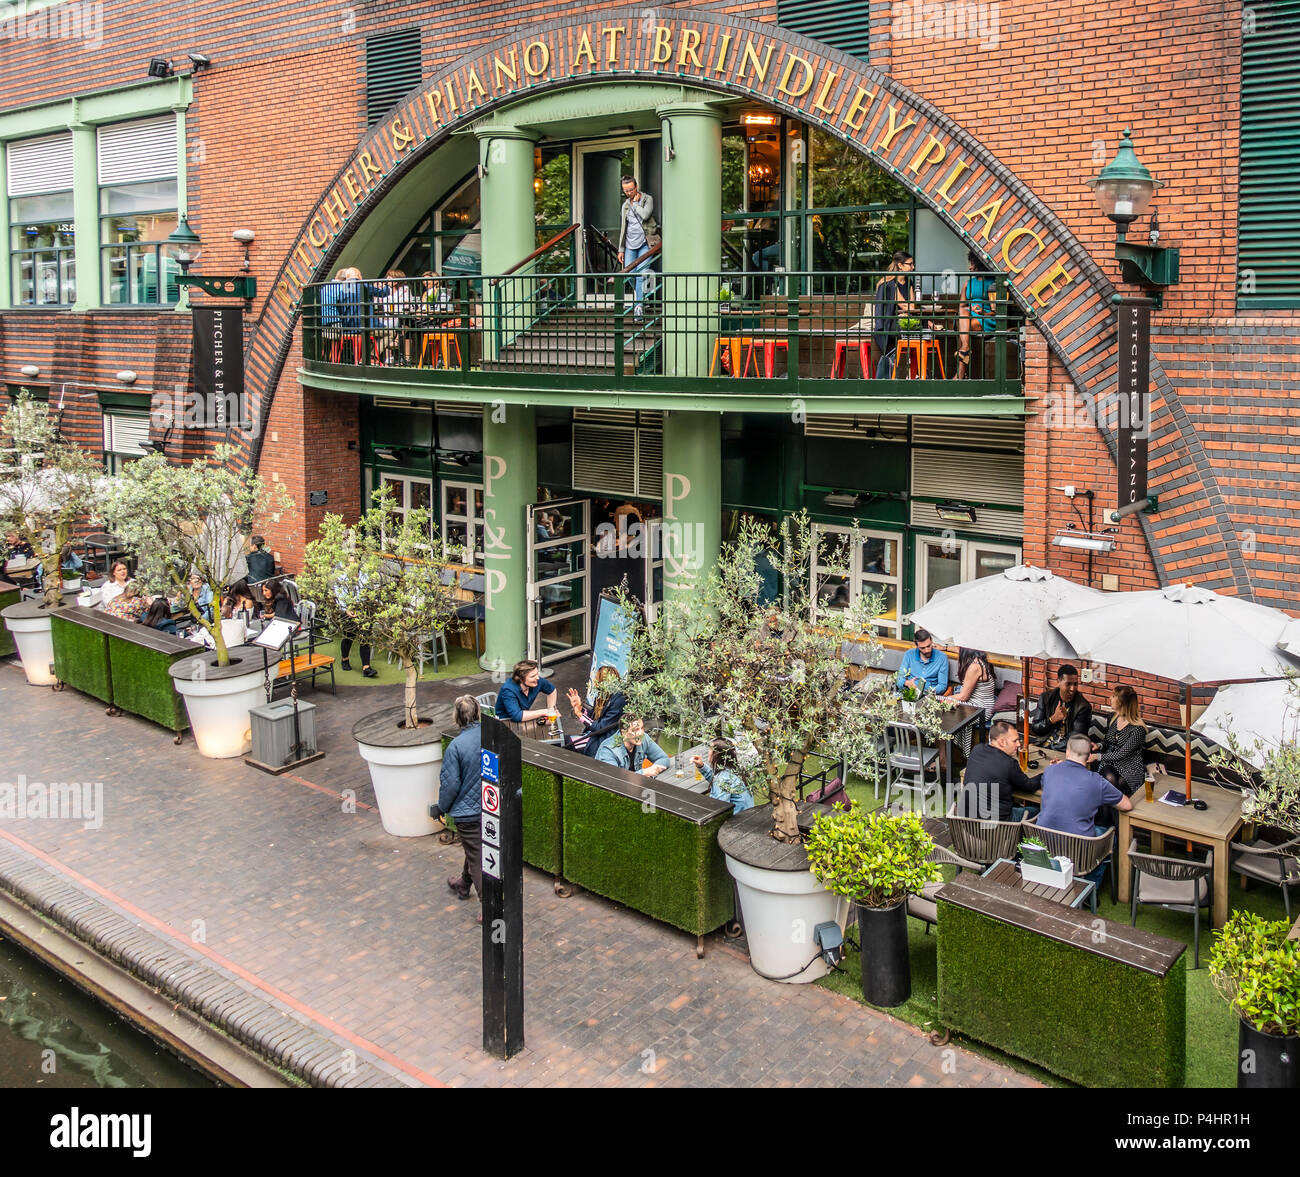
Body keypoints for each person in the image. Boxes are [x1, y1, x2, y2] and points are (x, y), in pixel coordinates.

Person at [434, 695, 484, 919]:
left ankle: (488, 906)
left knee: (476, 855)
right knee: (475, 850)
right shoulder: (491, 736)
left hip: (468, 813)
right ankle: (463, 884)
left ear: (457, 718)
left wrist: (441, 807)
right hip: (491, 807)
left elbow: (451, 783)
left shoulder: (456, 746)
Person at [1038, 733, 1132, 836]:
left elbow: (1054, 788)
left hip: (1043, 843)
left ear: (1067, 752)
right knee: (1109, 834)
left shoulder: (1049, 770)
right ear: (1088, 757)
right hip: (1079, 847)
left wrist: (1056, 768)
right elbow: (1127, 805)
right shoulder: (1096, 781)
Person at [958, 719, 1032, 822]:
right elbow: (1029, 786)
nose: (1019, 744)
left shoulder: (976, 750)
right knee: (1037, 811)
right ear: (1001, 742)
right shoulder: (1009, 763)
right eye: (1015, 741)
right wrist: (1047, 772)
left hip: (969, 825)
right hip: (1000, 828)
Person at [1091, 684, 1147, 797]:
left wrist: (1097, 756)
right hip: (1109, 763)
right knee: (1110, 780)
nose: (1110, 698)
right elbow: (1107, 741)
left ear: (1121, 702)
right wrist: (1099, 746)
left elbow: (1122, 754)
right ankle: (1109, 814)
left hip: (1129, 768)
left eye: (1113, 696)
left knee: (1114, 784)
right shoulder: (1113, 717)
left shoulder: (1138, 729)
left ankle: (1106, 814)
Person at [616, 174, 657, 319]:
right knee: (629, 274)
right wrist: (621, 249)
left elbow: (646, 215)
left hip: (645, 243)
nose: (628, 193)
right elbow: (623, 228)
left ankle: (639, 306)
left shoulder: (647, 199)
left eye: (631, 190)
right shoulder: (625, 205)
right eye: (625, 191)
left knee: (641, 273)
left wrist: (636, 204)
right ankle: (642, 296)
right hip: (629, 245)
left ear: (636, 187)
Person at [564, 665, 626, 757]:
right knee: (563, 740)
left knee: (565, 743)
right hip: (593, 735)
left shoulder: (618, 701)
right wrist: (580, 708)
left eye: (597, 678)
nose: (595, 681)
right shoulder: (601, 695)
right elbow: (594, 716)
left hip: (602, 741)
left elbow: (600, 728)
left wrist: (580, 715)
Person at [957, 248, 999, 379]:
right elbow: (962, 306)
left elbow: (996, 310)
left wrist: (981, 312)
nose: (970, 267)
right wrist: (970, 309)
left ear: (980, 264)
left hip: (986, 318)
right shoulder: (967, 283)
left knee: (963, 327)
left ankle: (961, 371)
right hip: (968, 316)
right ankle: (965, 349)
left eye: (973, 264)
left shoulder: (993, 283)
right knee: (963, 313)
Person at [872, 251, 915, 378]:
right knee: (913, 327)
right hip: (887, 324)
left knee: (924, 326)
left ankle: (916, 372)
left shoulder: (909, 283)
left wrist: (907, 313)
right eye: (910, 264)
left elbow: (912, 307)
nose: (913, 267)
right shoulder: (889, 284)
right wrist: (906, 312)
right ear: (900, 266)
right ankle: (905, 372)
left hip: (903, 321)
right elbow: (906, 305)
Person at [1029, 663, 1094, 749]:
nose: (1072, 689)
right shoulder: (1046, 698)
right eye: (1068, 684)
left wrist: (1048, 749)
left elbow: (1074, 740)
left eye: (1075, 684)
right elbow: (1035, 728)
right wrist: (1052, 719)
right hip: (1042, 743)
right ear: (1058, 682)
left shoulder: (1083, 707)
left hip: (1066, 751)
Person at [333, 565, 377, 678]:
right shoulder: (341, 580)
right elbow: (339, 597)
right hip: (347, 609)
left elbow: (368, 592)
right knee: (349, 636)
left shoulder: (364, 576)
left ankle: (366, 667)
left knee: (364, 637)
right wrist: (346, 610)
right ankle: (345, 659)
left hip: (362, 609)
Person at [692, 738, 754, 814]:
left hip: (737, 822)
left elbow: (718, 809)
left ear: (716, 755)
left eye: (710, 749)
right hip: (748, 816)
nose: (708, 752)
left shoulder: (722, 779)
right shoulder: (735, 769)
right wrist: (702, 766)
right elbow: (716, 779)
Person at [595, 716, 669, 775]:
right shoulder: (608, 751)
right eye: (635, 730)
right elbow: (613, 780)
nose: (640, 733)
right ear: (623, 732)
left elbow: (664, 758)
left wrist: (654, 769)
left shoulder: (644, 738)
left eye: (642, 728)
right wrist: (643, 773)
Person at [896, 628, 950, 695]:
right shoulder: (909, 654)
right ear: (917, 646)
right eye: (922, 648)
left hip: (928, 695)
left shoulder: (942, 657)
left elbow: (942, 686)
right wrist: (907, 683)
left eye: (928, 646)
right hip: (908, 692)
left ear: (932, 641)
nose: (927, 650)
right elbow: (899, 678)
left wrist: (925, 692)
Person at [953, 647, 998, 722]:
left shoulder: (975, 667)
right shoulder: (979, 659)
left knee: (947, 714)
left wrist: (945, 698)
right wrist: (945, 648)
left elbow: (964, 697)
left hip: (981, 709)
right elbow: (958, 649)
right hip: (980, 704)